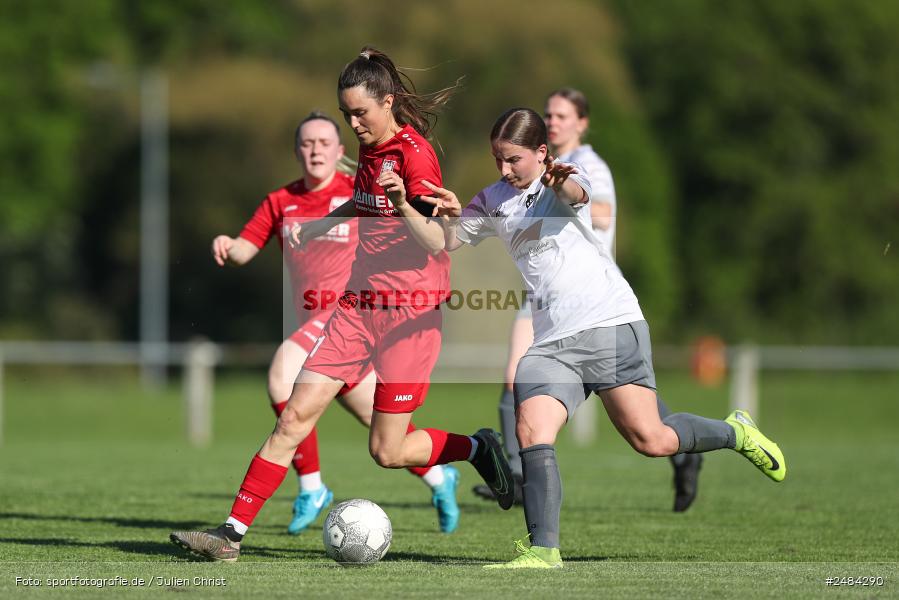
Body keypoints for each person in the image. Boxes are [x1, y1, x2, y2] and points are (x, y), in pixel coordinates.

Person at [171, 47, 513, 562]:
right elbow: (364, 200)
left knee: (388, 451)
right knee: (293, 415)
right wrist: (327, 222)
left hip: (409, 319)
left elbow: (436, 242)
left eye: (361, 113)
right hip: (356, 309)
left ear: (389, 102)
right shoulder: (373, 151)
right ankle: (230, 535)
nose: (353, 124)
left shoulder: (414, 156)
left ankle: (477, 448)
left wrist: (402, 205)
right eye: (345, 113)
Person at [421, 107, 786, 569]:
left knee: (651, 439)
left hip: (608, 325)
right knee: (531, 427)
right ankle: (543, 550)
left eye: (513, 159)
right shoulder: (493, 199)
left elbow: (576, 193)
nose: (504, 169)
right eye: (498, 158)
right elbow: (442, 241)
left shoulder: (568, 181)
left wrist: (559, 180)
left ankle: (737, 432)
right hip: (552, 342)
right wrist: (424, 209)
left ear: (541, 153)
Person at [209, 111, 459, 536]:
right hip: (332, 330)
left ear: (340, 151)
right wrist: (228, 245)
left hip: (350, 314)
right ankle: (440, 476)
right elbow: (245, 251)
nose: (316, 150)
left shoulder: (360, 186)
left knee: (281, 378)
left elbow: (433, 234)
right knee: (385, 441)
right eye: (307, 143)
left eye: (325, 142)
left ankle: (310, 487)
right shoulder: (280, 202)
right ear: (296, 151)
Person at [472, 88, 703, 513]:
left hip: (590, 296)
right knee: (516, 375)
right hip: (544, 293)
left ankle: (687, 448)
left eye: (564, 115)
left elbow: (600, 213)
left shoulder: (586, 165)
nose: (555, 121)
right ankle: (518, 478)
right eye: (549, 114)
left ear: (582, 123)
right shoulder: (518, 176)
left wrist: (563, 194)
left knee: (640, 423)